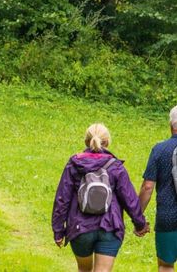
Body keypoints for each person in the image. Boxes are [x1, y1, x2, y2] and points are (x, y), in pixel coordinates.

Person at [52, 123, 149, 272]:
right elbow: (129, 199)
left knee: (83, 269)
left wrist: (58, 230)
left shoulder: (74, 164)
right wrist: (140, 224)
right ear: (107, 142)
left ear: (86, 141)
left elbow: (62, 198)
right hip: (110, 226)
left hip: (80, 228)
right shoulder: (116, 167)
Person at [139, 106, 177, 272]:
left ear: (171, 124)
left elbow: (148, 186)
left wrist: (138, 217)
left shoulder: (160, 150)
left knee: (165, 265)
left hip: (167, 217)